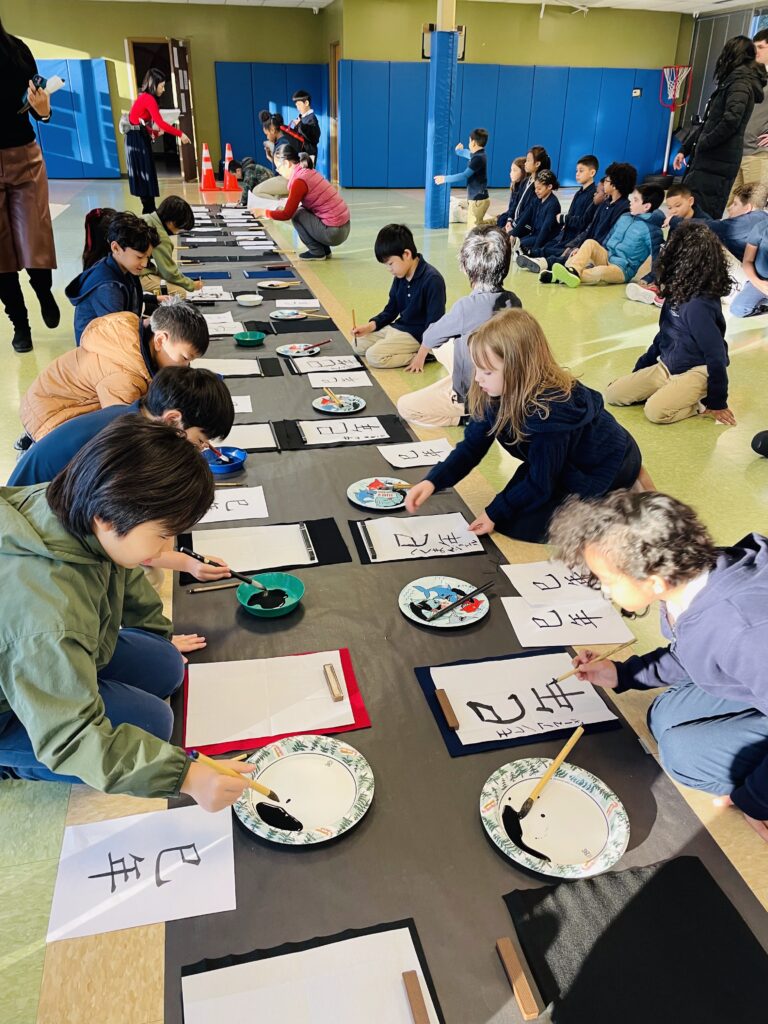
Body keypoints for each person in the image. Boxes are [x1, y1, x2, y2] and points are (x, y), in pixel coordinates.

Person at [0, 416, 253, 809]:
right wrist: (185, 775)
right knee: (154, 724)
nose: (166, 548)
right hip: (13, 705)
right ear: (108, 517)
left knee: (167, 664)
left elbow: (127, 569)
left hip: (46, 652)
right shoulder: (49, 617)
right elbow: (72, 736)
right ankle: (12, 761)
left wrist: (159, 632)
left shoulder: (81, 512)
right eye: (162, 533)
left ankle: (76, 679)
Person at [549, 490, 768, 845]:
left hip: (757, 657)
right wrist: (623, 674)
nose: (603, 590)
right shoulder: (696, 580)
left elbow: (721, 640)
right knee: (663, 715)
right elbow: (692, 648)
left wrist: (755, 801)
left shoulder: (741, 629)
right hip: (757, 670)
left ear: (653, 581)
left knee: (683, 757)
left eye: (607, 581)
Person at [404, 308, 646, 542]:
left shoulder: (549, 411)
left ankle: (626, 487)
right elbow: (471, 448)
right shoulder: (494, 391)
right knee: (517, 512)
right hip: (556, 462)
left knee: (526, 524)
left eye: (487, 372)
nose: (477, 378)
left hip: (602, 463)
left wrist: (493, 513)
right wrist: (433, 481)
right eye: (477, 368)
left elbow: (541, 482)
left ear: (517, 370)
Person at [9, 366, 236, 584]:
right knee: (149, 575)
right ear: (172, 420)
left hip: (47, 505)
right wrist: (188, 563)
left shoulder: (133, 422)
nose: (200, 451)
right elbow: (120, 524)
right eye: (198, 442)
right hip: (37, 525)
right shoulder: (131, 450)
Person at [20, 296, 209, 441]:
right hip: (49, 424)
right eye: (184, 358)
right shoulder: (123, 377)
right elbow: (123, 432)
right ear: (160, 340)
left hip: (51, 407)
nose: (186, 367)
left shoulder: (134, 334)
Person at [606, 222, 734, 426]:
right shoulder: (677, 292)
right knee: (613, 394)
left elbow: (716, 356)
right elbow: (663, 335)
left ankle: (698, 403)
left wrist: (717, 402)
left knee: (655, 412)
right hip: (667, 366)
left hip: (697, 371)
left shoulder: (699, 305)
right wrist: (640, 371)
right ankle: (670, 393)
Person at [397, 226, 521, 428]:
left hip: (476, 394)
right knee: (453, 345)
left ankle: (466, 417)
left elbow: (430, 337)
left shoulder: (466, 307)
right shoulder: (514, 301)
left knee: (406, 406)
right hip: (504, 385)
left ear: (466, 266)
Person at [0, 18, 59, 354]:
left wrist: (45, 110)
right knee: (1, 254)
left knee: (34, 235)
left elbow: (38, 108)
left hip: (23, 155)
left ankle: (42, 290)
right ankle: (19, 323)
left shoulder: (16, 50)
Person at [674, 36, 767, 219]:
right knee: (728, 208)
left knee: (748, 209)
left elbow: (730, 121)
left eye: (761, 47)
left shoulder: (741, 83)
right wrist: (688, 148)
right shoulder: (732, 82)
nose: (758, 52)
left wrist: (704, 143)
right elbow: (710, 122)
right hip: (724, 155)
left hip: (736, 155)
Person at [351, 224, 446, 369]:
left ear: (406, 254)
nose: (389, 269)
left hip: (417, 336)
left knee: (374, 356)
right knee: (357, 345)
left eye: (390, 263)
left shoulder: (432, 279)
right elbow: (391, 310)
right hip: (398, 328)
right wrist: (369, 327)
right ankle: (397, 347)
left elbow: (435, 324)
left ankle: (425, 356)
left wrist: (421, 355)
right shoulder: (400, 275)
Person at [66, 212, 158, 344]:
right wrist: (150, 323)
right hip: (98, 350)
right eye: (139, 257)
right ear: (116, 248)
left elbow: (130, 297)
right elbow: (117, 333)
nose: (144, 263)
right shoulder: (108, 287)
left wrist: (154, 299)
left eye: (147, 257)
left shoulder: (121, 267)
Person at [552, 183, 664, 287]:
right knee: (590, 243)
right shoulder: (625, 217)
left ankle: (560, 276)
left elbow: (658, 258)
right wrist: (592, 253)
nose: (631, 202)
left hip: (622, 269)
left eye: (635, 200)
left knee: (599, 272)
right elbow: (608, 238)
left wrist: (649, 278)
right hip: (607, 256)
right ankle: (572, 270)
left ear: (646, 206)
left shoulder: (652, 230)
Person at [540, 162, 636, 282]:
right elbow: (591, 229)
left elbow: (610, 236)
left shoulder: (624, 209)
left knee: (591, 266)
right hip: (593, 249)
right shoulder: (605, 204)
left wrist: (587, 251)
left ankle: (562, 275)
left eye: (606, 180)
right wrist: (580, 247)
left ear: (615, 185)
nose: (604, 183)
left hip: (605, 253)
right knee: (572, 258)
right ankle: (566, 273)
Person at [252, 145, 350, 262]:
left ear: (287, 163)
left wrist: (263, 212)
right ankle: (324, 250)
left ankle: (316, 251)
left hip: (334, 232)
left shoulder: (299, 181)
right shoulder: (307, 171)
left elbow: (287, 214)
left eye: (278, 168)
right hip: (344, 227)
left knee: (297, 214)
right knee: (304, 210)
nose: (279, 172)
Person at [625, 184, 711, 305]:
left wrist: (675, 221)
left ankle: (669, 294)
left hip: (699, 269)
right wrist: (652, 277)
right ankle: (658, 290)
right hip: (680, 270)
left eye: (678, 205)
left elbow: (707, 226)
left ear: (690, 201)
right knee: (667, 258)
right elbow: (668, 252)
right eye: (670, 208)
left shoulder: (704, 220)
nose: (674, 211)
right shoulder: (675, 222)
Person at [125, 68, 191, 215]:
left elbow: (140, 122)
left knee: (146, 176)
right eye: (162, 86)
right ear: (153, 85)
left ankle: (149, 210)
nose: (163, 89)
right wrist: (180, 134)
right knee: (145, 175)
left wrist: (153, 133)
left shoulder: (145, 98)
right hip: (136, 140)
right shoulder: (148, 98)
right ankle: (149, 211)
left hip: (137, 137)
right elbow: (159, 122)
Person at [516, 154, 598, 273]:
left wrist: (565, 219)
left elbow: (584, 221)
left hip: (576, 235)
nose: (577, 174)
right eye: (576, 171)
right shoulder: (579, 192)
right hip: (567, 233)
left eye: (581, 171)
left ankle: (541, 261)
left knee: (559, 252)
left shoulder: (592, 195)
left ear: (592, 173)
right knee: (550, 246)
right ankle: (532, 254)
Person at [727, 29, 768, 209]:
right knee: (731, 203)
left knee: (753, 206)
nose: (756, 51)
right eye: (754, 47)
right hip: (738, 150)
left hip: (758, 153)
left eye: (761, 47)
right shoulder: (754, 74)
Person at [141, 195, 202, 296]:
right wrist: (191, 285)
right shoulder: (160, 235)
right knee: (180, 293)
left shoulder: (146, 218)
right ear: (172, 222)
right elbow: (168, 273)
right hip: (136, 275)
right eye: (180, 227)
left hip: (128, 270)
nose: (178, 232)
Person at [434, 128, 490, 231]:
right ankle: (494, 221)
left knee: (474, 229)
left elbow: (464, 175)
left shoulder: (479, 158)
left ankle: (494, 222)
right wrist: (458, 151)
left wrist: (444, 179)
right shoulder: (478, 155)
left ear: (473, 142)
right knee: (476, 225)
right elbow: (467, 153)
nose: (468, 144)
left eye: (469, 141)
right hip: (477, 199)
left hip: (478, 200)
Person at [708, 183, 768, 261]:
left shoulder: (750, 220)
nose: (729, 208)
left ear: (748, 208)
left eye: (735, 204)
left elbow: (714, 227)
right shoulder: (762, 218)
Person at [504, 146, 551, 242]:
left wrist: (514, 230)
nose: (525, 163)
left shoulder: (538, 188)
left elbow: (528, 214)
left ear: (537, 163)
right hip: (515, 223)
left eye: (528, 160)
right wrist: (509, 219)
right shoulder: (525, 181)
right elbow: (516, 202)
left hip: (525, 227)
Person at [729, 202, 768, 316]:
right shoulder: (761, 228)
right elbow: (747, 261)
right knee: (737, 309)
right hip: (760, 280)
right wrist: (758, 282)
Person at [251, 111, 299, 200]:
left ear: (272, 129)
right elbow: (283, 166)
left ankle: (277, 206)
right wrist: (270, 158)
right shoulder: (283, 141)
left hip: (288, 180)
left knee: (256, 191)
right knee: (275, 194)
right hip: (292, 180)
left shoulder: (282, 144)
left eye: (267, 134)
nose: (267, 137)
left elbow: (286, 170)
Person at [513, 169, 561, 257]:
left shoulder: (553, 204)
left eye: (539, 188)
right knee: (514, 242)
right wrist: (512, 235)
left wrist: (535, 250)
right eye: (535, 188)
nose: (536, 191)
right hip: (534, 234)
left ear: (549, 187)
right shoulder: (536, 200)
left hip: (544, 238)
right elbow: (524, 218)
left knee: (519, 245)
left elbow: (545, 230)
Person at [495, 157, 527, 231]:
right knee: (502, 218)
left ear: (523, 172)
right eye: (511, 170)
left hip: (518, 219)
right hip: (510, 215)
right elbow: (511, 208)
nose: (511, 173)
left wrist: (510, 220)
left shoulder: (524, 188)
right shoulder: (514, 185)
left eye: (515, 170)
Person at [289, 90, 321, 163]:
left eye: (299, 105)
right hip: (301, 153)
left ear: (306, 103)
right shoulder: (301, 117)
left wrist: (300, 124)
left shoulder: (312, 118)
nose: (298, 108)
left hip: (308, 154)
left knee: (307, 173)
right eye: (296, 105)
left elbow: (314, 137)